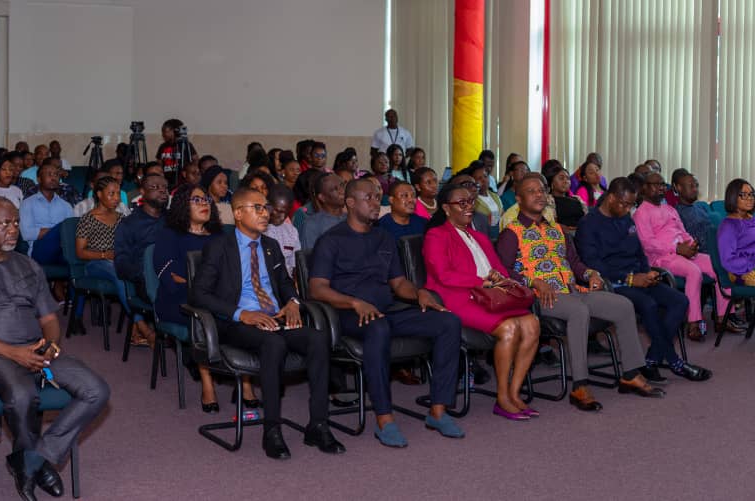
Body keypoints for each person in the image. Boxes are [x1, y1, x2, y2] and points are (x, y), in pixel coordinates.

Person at [0, 197, 109, 500]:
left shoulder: (29, 265)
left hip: (36, 349)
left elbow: (49, 319)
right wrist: (13, 353)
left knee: (96, 390)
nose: (13, 230)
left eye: (16, 223)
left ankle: (35, 459)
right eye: (4, 224)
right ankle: (32, 463)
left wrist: (50, 345)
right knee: (23, 395)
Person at [192, 187, 343, 459]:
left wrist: (293, 303)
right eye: (258, 208)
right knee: (274, 344)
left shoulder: (271, 246)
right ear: (238, 213)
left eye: (266, 208)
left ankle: (318, 425)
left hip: (274, 318)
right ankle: (271, 430)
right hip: (238, 323)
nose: (265, 213)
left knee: (318, 338)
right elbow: (199, 294)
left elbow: (285, 284)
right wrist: (241, 313)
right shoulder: (219, 246)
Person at [310, 179, 463, 446]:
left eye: (376, 197)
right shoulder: (331, 240)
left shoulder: (383, 237)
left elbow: (399, 283)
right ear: (350, 203)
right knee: (378, 327)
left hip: (386, 310)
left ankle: (438, 411)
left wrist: (418, 293)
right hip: (349, 314)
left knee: (448, 321)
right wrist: (354, 303)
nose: (375, 203)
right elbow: (317, 288)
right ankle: (385, 419)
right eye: (368, 198)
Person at [497, 175, 664, 411]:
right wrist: (533, 282)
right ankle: (580, 385)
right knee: (579, 310)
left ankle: (630, 374)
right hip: (542, 297)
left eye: (541, 190)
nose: (538, 195)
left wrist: (590, 275)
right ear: (519, 198)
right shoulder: (511, 233)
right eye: (531, 191)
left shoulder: (557, 230)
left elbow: (575, 263)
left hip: (572, 290)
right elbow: (503, 272)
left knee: (623, 305)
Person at [423, 183, 542, 420]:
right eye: (462, 203)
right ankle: (502, 398)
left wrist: (500, 278)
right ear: (446, 208)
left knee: (532, 323)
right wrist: (481, 281)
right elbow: (443, 275)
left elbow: (500, 269)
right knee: (509, 328)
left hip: (491, 297)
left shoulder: (480, 236)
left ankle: (514, 392)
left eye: (471, 202)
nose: (468, 207)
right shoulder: (436, 235)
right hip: (459, 298)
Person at [576, 177, 713, 382]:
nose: (628, 209)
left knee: (679, 301)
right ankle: (675, 362)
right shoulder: (589, 224)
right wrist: (630, 279)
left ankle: (651, 359)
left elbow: (639, 252)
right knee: (648, 304)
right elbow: (593, 265)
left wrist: (647, 272)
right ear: (611, 198)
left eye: (631, 205)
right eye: (625, 204)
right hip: (611, 284)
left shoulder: (625, 218)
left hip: (637, 277)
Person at [152, 184, 261, 411]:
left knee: (247, 313)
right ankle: (207, 384)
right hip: (179, 301)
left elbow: (236, 273)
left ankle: (246, 381)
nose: (204, 204)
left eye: (206, 200)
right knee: (204, 318)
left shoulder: (221, 236)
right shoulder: (169, 235)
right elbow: (174, 278)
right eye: (197, 200)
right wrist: (213, 286)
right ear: (183, 205)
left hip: (218, 298)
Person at [634, 171, 727, 340]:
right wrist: (676, 249)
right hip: (661, 258)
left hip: (682, 252)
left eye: (663, 185)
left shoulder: (669, 209)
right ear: (644, 188)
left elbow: (682, 232)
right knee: (693, 271)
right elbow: (648, 243)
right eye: (656, 185)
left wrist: (692, 244)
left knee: (718, 265)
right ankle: (694, 323)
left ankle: (723, 317)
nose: (661, 188)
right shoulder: (641, 213)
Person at [73, 176, 152, 341]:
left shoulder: (122, 219)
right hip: (95, 263)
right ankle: (141, 325)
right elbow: (80, 252)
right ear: (99, 194)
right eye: (111, 194)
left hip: (118, 260)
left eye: (118, 193)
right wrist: (104, 254)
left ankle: (142, 323)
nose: (117, 198)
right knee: (119, 272)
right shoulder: (88, 219)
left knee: (140, 269)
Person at [115, 173, 168, 300]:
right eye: (155, 187)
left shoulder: (174, 220)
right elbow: (121, 264)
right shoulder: (129, 224)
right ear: (142, 192)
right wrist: (146, 273)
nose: (162, 190)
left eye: (165, 187)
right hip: (148, 282)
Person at [20, 163, 73, 266]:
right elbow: (27, 234)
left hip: (62, 250)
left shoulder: (66, 206)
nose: (53, 178)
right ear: (39, 179)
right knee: (63, 227)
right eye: (49, 174)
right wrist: (56, 231)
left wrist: (44, 231)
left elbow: (71, 234)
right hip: (39, 250)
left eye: (56, 175)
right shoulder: (27, 203)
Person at [717, 179, 755, 286]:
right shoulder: (729, 226)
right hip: (742, 271)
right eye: (744, 195)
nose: (750, 198)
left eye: (751, 194)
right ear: (733, 197)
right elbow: (728, 260)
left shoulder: (751, 218)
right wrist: (752, 263)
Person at [300, 173, 345, 250]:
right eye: (334, 189)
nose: (342, 191)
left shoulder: (351, 218)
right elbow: (310, 255)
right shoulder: (312, 225)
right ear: (322, 197)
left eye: (342, 185)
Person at [673, 170, 715, 254]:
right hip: (702, 255)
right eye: (691, 186)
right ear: (679, 188)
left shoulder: (700, 208)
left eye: (696, 185)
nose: (695, 189)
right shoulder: (676, 214)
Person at [264, 184, 301, 277]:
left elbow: (295, 266)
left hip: (286, 281)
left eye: (286, 212)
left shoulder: (291, 232)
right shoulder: (257, 229)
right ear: (268, 205)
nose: (282, 217)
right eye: (278, 211)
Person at [543, 161, 585, 232]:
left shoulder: (577, 199)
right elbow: (547, 223)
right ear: (552, 182)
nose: (566, 181)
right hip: (559, 234)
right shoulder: (548, 200)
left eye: (568, 178)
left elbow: (586, 219)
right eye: (561, 178)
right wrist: (559, 227)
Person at [155, 119, 197, 186]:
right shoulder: (162, 147)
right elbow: (159, 163)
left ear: (175, 132)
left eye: (165, 131)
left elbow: (195, 160)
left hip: (183, 181)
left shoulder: (185, 145)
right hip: (167, 181)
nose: (163, 134)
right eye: (162, 132)